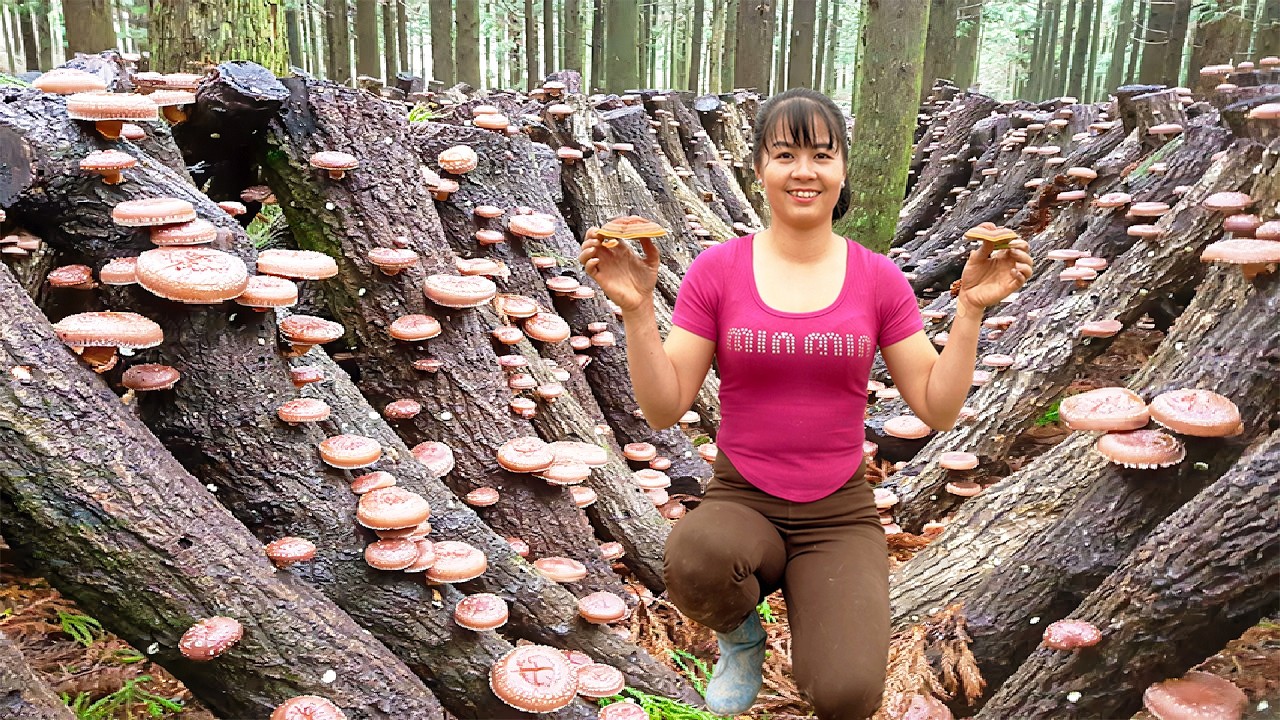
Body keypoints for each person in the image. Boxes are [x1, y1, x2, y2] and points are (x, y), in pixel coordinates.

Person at [578, 87, 1032, 719]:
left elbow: (937, 409)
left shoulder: (878, 278)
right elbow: (663, 408)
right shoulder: (717, 271)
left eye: (821, 154)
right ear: (759, 167)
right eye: (785, 154)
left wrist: (972, 311)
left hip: (839, 512)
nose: (804, 171)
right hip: (742, 497)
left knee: (847, 694)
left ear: (842, 167)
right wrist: (636, 310)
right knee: (697, 560)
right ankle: (742, 637)